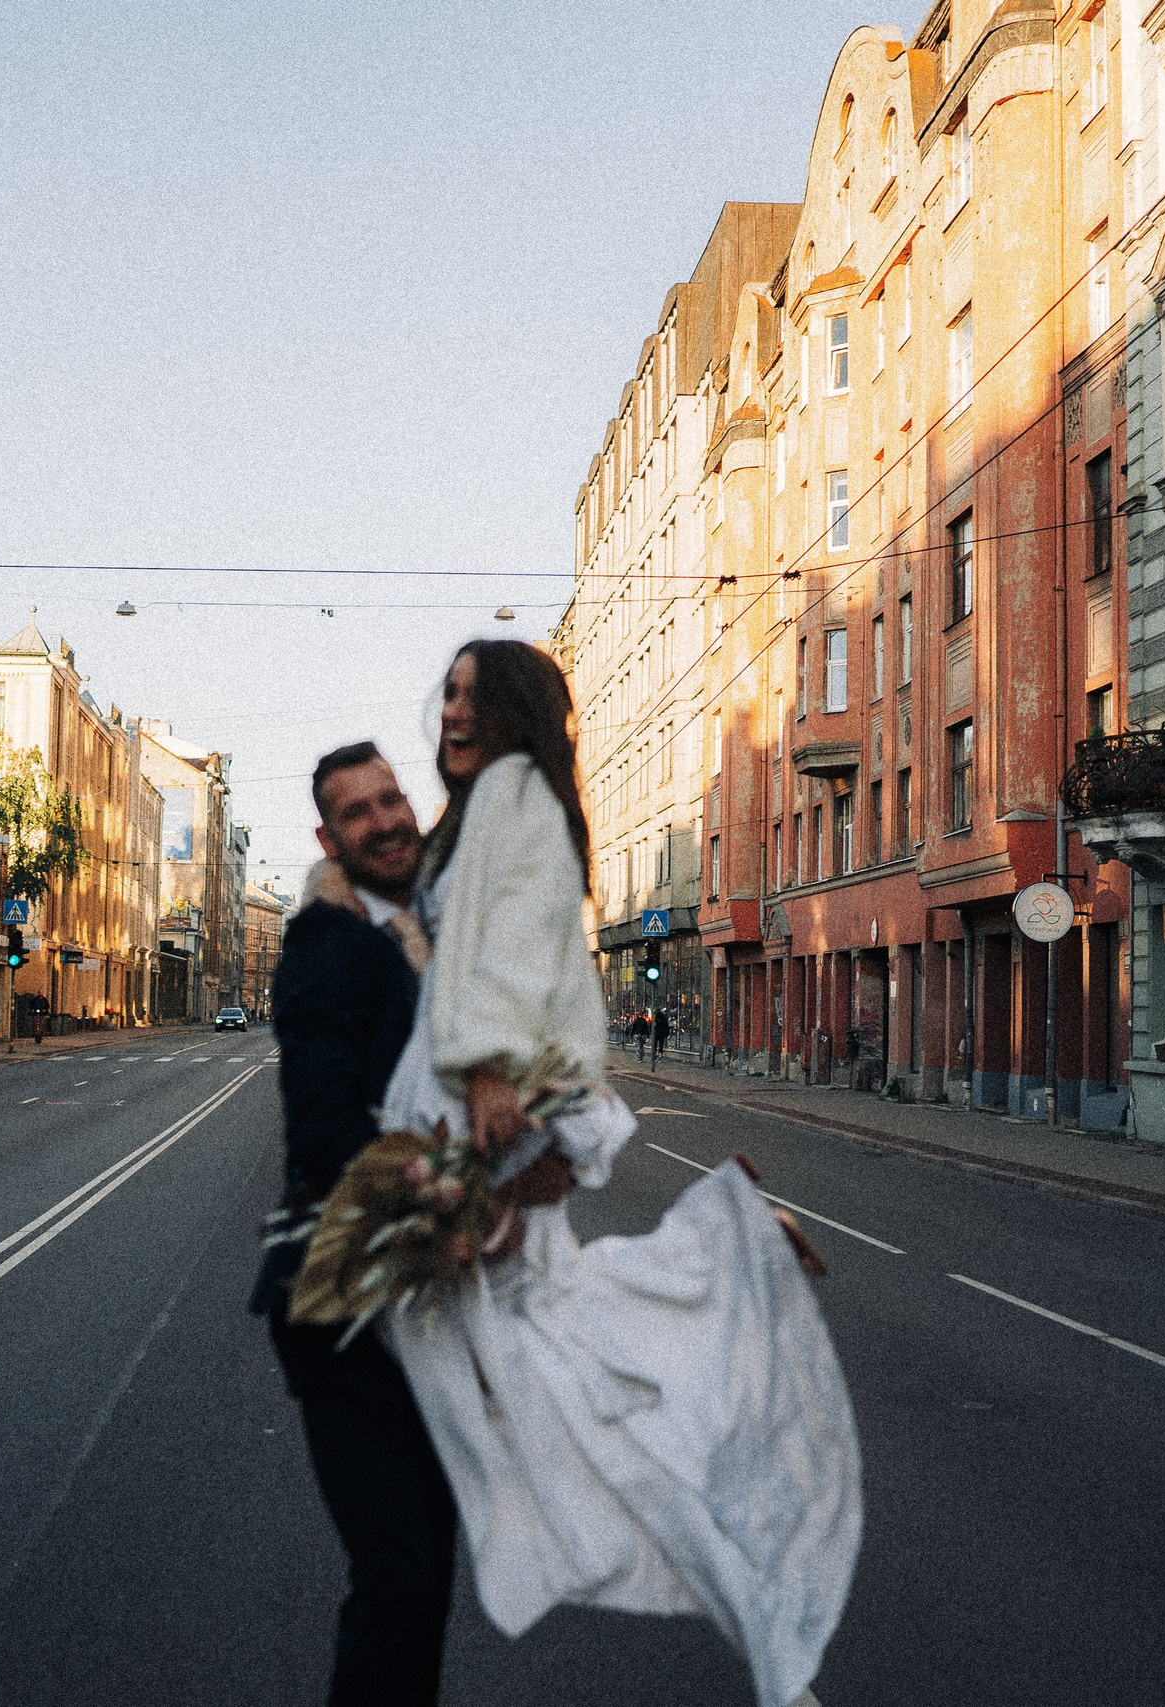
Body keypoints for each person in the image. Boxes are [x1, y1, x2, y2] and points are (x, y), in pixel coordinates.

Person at [379, 639, 859, 1707]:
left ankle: (720, 1258)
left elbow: (517, 949)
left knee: (565, 1405)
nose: (449, 710)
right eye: (445, 691)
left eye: (470, 694)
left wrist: (487, 1077)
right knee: (561, 1393)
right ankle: (722, 1258)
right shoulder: (492, 807)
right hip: (471, 1102)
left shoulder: (514, 794)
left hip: (486, 1108)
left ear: (513, 711)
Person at [252, 740, 457, 1707]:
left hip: (407, 1286)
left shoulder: (418, 926)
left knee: (425, 1564)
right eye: (357, 811)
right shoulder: (328, 941)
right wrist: (434, 1181)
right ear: (329, 838)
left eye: (391, 798)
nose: (383, 820)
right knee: (400, 1570)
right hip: (337, 1300)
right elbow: (324, 1123)